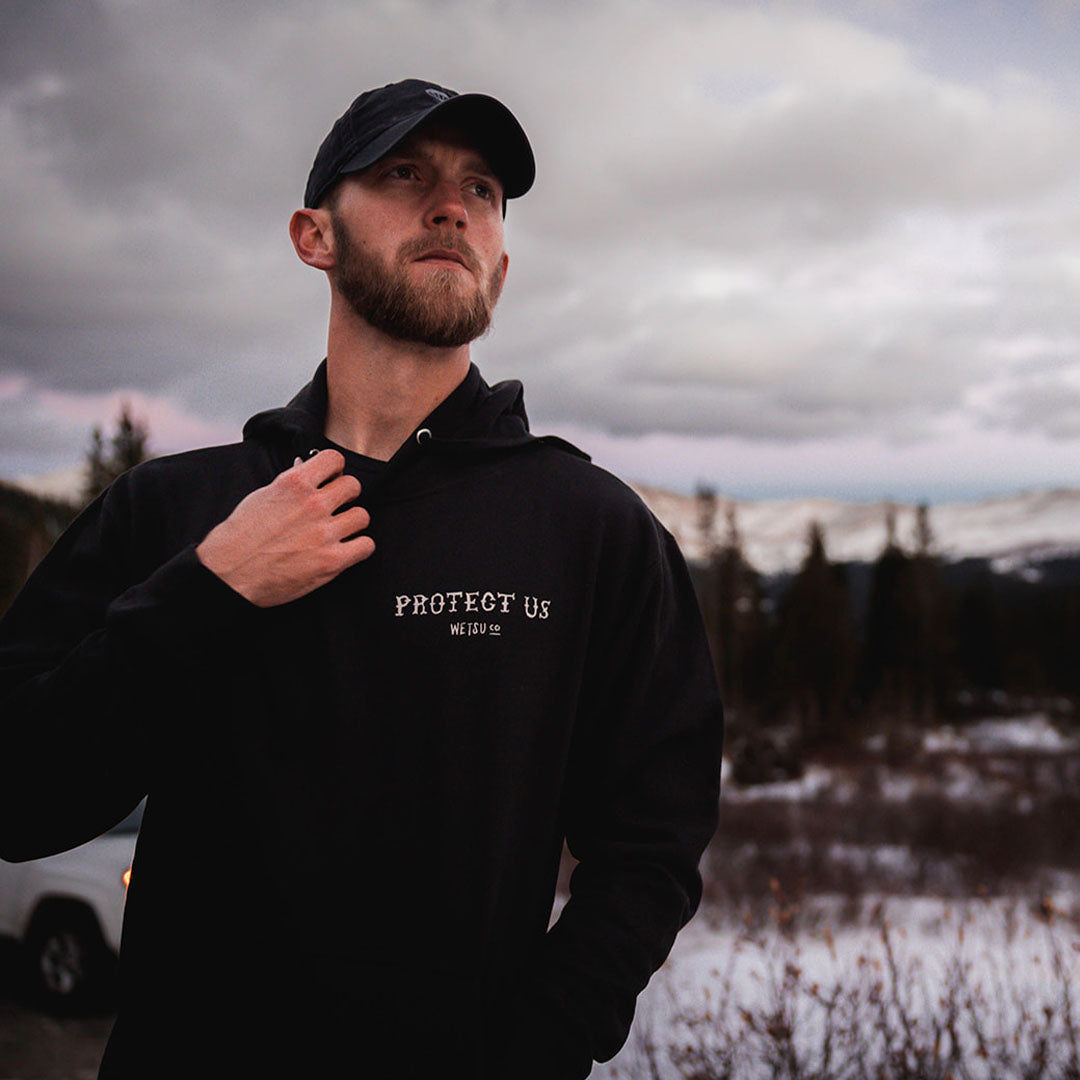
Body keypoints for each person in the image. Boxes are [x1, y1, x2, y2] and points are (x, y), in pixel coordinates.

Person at [0, 79, 724, 1079]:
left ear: (498, 271)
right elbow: (19, 796)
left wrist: (536, 1048)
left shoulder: (591, 532)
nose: (452, 205)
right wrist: (209, 590)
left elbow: (652, 849)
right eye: (403, 173)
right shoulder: (174, 511)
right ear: (314, 236)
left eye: (482, 190)